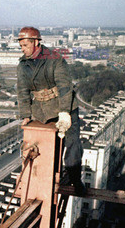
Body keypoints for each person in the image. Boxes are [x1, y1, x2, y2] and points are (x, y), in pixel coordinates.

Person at [16, 26, 86, 195]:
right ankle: (50, 182)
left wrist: (64, 112)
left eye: (25, 45)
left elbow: (64, 87)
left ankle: (76, 181)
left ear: (36, 42)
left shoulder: (55, 59)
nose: (23, 49)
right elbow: (22, 91)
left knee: (72, 146)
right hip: (42, 111)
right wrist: (26, 115)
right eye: (21, 46)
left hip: (65, 107)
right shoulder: (23, 65)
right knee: (50, 149)